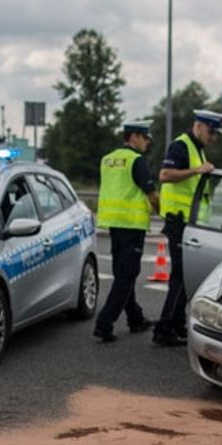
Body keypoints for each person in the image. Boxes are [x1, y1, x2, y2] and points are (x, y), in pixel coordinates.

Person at [153, 109, 222, 347]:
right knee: (181, 277)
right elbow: (164, 175)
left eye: (216, 134)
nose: (213, 138)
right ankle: (164, 328)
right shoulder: (180, 146)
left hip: (191, 224)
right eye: (211, 132)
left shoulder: (198, 149)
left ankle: (175, 325)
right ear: (199, 126)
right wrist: (196, 170)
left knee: (186, 276)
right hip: (178, 222)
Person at [93, 121, 158, 343]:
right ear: (134, 137)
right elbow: (150, 192)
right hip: (132, 225)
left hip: (114, 224)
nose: (148, 142)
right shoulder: (137, 160)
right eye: (145, 138)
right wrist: (162, 211)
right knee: (126, 276)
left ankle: (135, 318)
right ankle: (104, 324)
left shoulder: (107, 159)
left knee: (123, 273)